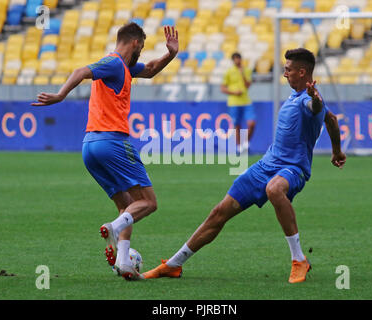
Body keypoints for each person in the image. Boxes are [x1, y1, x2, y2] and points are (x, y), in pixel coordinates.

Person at [142, 48, 346, 283]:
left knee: (274, 189)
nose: (284, 74)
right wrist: (337, 151)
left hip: (292, 169)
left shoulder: (309, 100)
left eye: (288, 70)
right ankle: (174, 264)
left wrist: (314, 99)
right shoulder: (296, 96)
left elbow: (317, 109)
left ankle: (299, 259)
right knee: (219, 212)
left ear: (302, 72)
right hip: (265, 165)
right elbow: (330, 118)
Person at [31, 23, 179, 280]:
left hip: (90, 147)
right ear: (134, 43)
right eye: (141, 48)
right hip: (113, 142)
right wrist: (60, 95)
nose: (141, 53)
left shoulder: (124, 68)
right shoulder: (112, 63)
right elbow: (81, 71)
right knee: (149, 202)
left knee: (127, 207)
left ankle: (123, 262)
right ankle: (113, 227)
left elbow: (152, 70)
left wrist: (170, 54)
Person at [221, 52, 256, 153]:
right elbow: (223, 88)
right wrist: (234, 92)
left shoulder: (247, 70)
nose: (237, 61)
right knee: (237, 125)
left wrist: (243, 74)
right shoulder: (229, 72)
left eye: (238, 58)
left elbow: (248, 85)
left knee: (252, 123)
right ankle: (239, 147)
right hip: (234, 102)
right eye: (235, 59)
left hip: (246, 101)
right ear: (233, 61)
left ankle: (246, 142)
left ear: (241, 59)